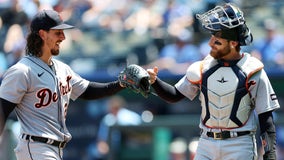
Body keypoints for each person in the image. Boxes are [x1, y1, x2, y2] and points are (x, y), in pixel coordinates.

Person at [147, 3, 280, 160]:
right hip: (206, 143)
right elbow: (174, 96)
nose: (211, 43)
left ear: (233, 43)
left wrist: (269, 155)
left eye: (217, 39)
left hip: (239, 144)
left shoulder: (253, 70)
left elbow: (266, 119)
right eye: (212, 36)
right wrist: (155, 81)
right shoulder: (203, 67)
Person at [0, 9, 126, 160]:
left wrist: (121, 84)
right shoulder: (22, 71)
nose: (63, 37)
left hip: (54, 150)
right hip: (35, 148)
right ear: (42, 34)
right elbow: (2, 111)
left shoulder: (62, 69)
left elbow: (87, 91)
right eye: (57, 32)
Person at [87, 95, 141, 160]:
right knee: (93, 151)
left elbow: (141, 134)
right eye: (112, 107)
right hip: (111, 147)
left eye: (116, 107)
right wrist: (103, 146)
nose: (113, 109)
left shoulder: (129, 116)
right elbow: (101, 140)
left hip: (130, 146)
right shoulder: (107, 119)